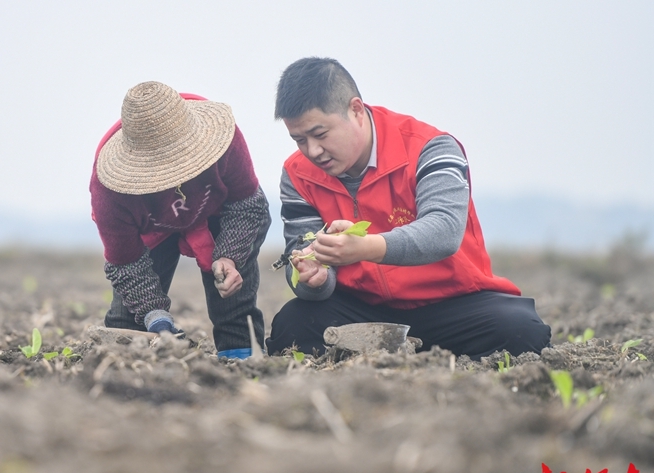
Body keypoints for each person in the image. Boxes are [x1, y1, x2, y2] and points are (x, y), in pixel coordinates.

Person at [265, 57, 551, 359]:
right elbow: (300, 254)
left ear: (356, 110)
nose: (313, 151)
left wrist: (365, 247)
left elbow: (444, 231)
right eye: (299, 140)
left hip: (452, 304)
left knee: (520, 330)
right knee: (292, 326)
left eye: (320, 135)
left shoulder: (430, 148)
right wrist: (316, 279)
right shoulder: (298, 174)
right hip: (366, 310)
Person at [90, 81, 271, 359]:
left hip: (218, 213)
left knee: (232, 301)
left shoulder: (225, 141)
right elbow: (125, 262)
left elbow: (248, 205)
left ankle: (242, 357)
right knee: (126, 327)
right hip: (153, 229)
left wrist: (230, 256)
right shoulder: (111, 193)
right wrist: (156, 317)